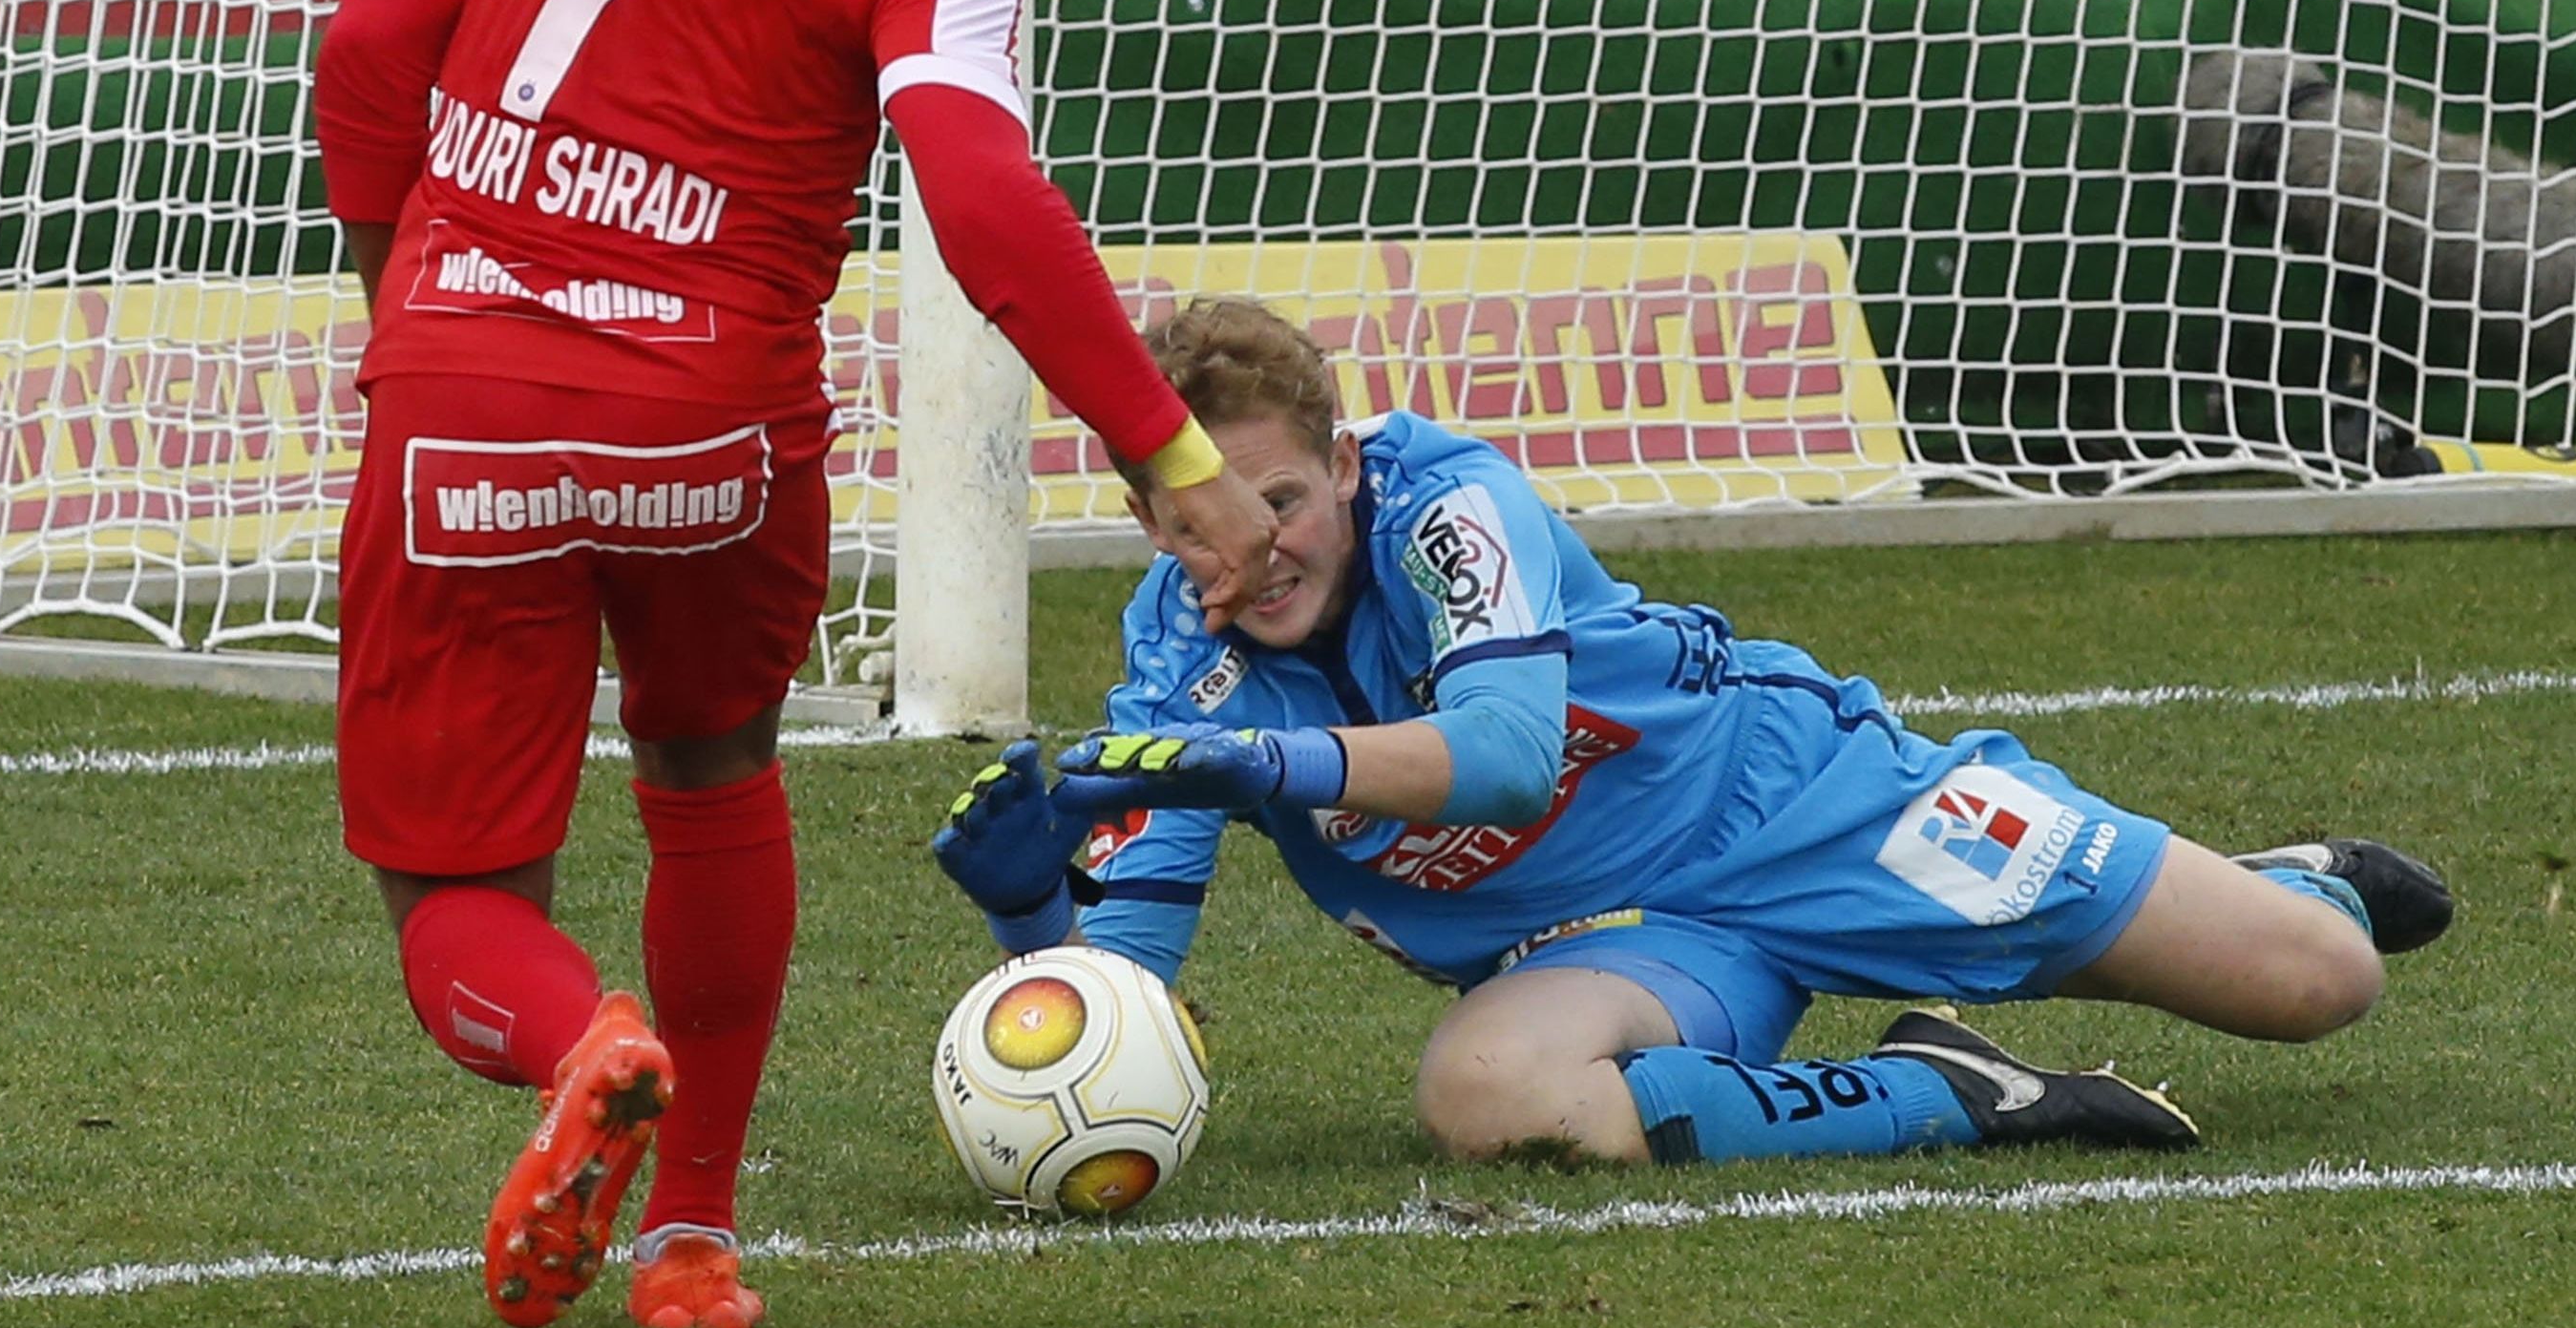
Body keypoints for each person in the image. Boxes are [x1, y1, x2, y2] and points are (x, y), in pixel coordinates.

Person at [310, 0, 1274, 1328]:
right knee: (710, 771)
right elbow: (981, 202)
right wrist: (1165, 458)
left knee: (454, 895)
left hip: (468, 386)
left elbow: (368, 46)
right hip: (711, 428)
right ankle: (690, 1248)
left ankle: (585, 1039)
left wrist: (406, 297)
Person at [931, 296, 2453, 1169]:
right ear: (1143, 517)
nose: (1254, 548)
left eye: (1285, 501)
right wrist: (1026, 904)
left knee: (2321, 981)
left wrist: (1274, 767)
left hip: (1799, 804)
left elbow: (1512, 749)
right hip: (1622, 940)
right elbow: (1122, 988)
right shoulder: (1171, 659)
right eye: (1203, 518)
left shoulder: (1449, 501)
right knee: (1488, 1098)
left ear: (1343, 463)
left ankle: (2285, 880)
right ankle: (1958, 1090)